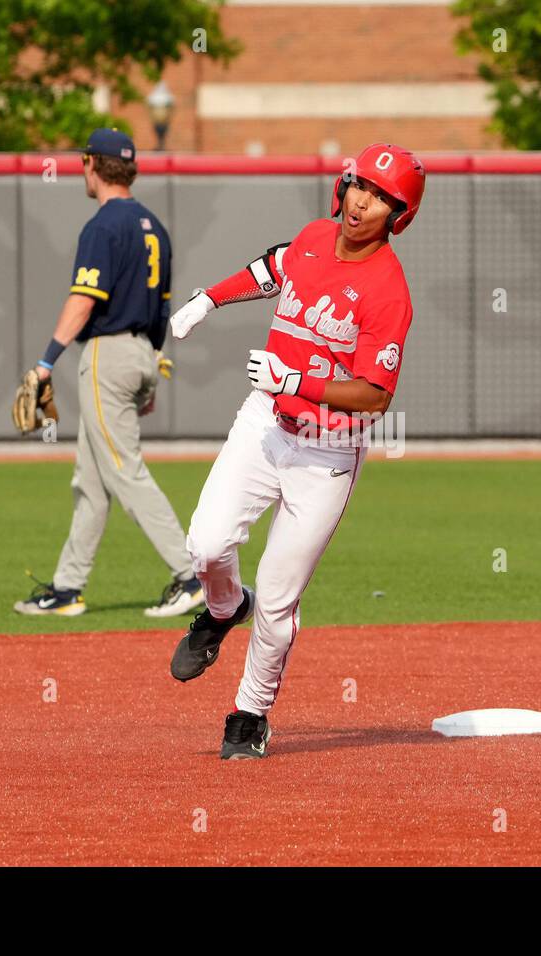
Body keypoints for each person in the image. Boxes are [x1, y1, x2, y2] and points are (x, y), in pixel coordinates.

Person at [166, 143, 425, 759]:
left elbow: (374, 395)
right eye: (360, 185)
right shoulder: (313, 237)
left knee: (279, 597)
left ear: (398, 214)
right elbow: (272, 269)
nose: (363, 202)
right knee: (204, 543)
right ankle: (224, 608)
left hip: (327, 452)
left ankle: (249, 714)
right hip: (264, 424)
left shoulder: (389, 290)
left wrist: (296, 381)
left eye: (382, 197)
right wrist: (209, 298)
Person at [14, 128, 204, 620]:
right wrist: (153, 369)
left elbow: (85, 299)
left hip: (108, 356)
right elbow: (162, 307)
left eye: (83, 162)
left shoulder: (103, 226)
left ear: (92, 165)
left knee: (124, 470)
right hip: (142, 353)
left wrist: (45, 360)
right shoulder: (153, 227)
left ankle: (192, 575)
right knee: (92, 480)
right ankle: (67, 588)